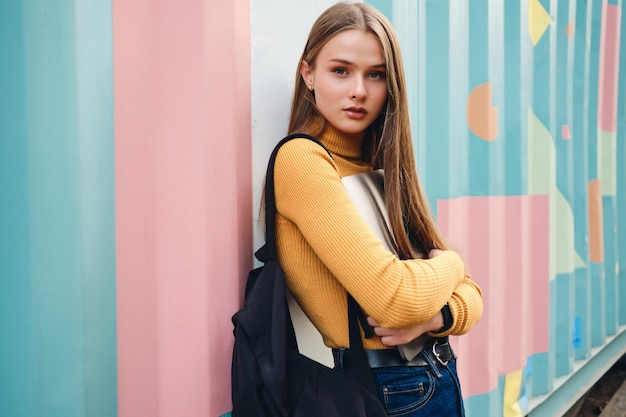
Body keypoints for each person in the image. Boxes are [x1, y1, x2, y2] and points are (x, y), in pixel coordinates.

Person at [270, 2, 483, 415]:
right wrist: (453, 262)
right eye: (340, 70)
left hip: (433, 374)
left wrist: (433, 318)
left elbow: (473, 298)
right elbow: (394, 298)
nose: (359, 91)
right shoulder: (303, 161)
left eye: (376, 74)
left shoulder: (380, 166)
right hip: (385, 390)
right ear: (308, 74)